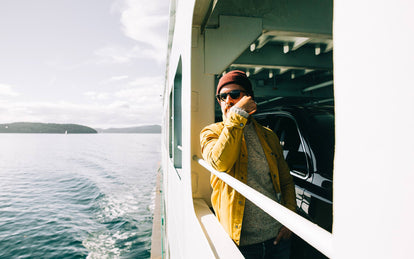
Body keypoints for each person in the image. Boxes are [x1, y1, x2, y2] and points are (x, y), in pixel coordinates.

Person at [200, 70, 296, 259]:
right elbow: (220, 163)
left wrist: (290, 220)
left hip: (276, 238)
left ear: (249, 98)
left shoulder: (269, 136)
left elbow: (285, 180)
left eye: (235, 95)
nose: (228, 101)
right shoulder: (211, 133)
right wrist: (236, 115)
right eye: (222, 97)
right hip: (240, 244)